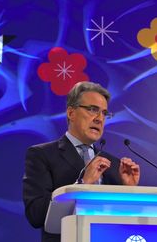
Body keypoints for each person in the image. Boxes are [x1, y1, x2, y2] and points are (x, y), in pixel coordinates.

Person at [22, 81, 140, 242]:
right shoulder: (42, 154)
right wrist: (82, 184)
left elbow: (125, 221)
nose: (99, 119)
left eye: (104, 113)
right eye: (93, 110)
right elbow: (35, 215)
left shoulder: (113, 164)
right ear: (71, 113)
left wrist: (129, 191)